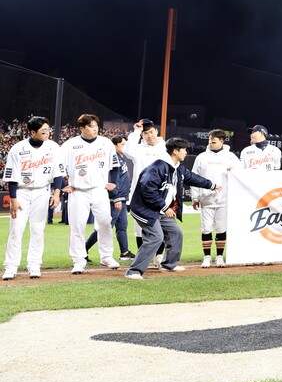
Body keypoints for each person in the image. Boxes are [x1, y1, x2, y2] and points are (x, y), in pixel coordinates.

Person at [126, 138, 221, 279]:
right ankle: (134, 271)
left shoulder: (177, 168)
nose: (186, 153)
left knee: (176, 233)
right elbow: (147, 190)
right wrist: (165, 207)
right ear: (175, 151)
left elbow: (192, 178)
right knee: (156, 237)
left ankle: (168, 264)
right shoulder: (157, 167)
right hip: (144, 209)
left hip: (160, 209)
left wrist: (211, 185)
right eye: (184, 150)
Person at [2, 116, 64, 280]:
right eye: (43, 131)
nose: (47, 133)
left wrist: (56, 193)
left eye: (48, 129)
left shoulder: (53, 147)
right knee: (16, 229)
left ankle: (34, 265)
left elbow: (58, 173)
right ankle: (11, 266)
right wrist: (13, 199)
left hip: (42, 191)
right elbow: (11, 177)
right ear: (32, 132)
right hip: (21, 192)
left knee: (38, 229)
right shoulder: (18, 148)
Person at [61, 114, 121, 274]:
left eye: (96, 126)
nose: (95, 129)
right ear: (82, 128)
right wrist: (62, 185)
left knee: (105, 223)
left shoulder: (106, 143)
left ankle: (106, 256)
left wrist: (113, 182)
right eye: (91, 126)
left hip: (99, 189)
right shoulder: (70, 145)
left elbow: (115, 166)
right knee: (77, 226)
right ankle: (78, 260)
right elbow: (59, 166)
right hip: (78, 191)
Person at [191, 129, 239, 268]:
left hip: (224, 200)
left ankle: (219, 257)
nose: (210, 143)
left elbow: (240, 176)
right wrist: (195, 197)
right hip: (206, 200)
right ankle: (206, 257)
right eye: (209, 140)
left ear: (222, 141)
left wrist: (234, 171)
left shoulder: (231, 157)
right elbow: (194, 178)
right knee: (206, 229)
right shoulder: (201, 157)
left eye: (213, 141)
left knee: (221, 229)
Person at [84, 135, 134, 261]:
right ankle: (84, 249)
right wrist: (115, 197)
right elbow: (111, 181)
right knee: (105, 227)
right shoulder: (113, 158)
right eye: (123, 144)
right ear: (115, 146)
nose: (125, 147)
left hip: (122, 198)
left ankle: (124, 252)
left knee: (122, 226)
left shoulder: (121, 158)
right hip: (115, 198)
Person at [124, 118, 168, 258]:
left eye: (151, 132)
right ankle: (143, 258)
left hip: (160, 195)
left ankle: (159, 257)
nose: (149, 135)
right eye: (146, 133)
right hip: (140, 195)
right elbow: (126, 150)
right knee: (140, 229)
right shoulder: (138, 149)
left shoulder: (165, 148)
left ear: (156, 131)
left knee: (162, 226)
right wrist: (136, 131)